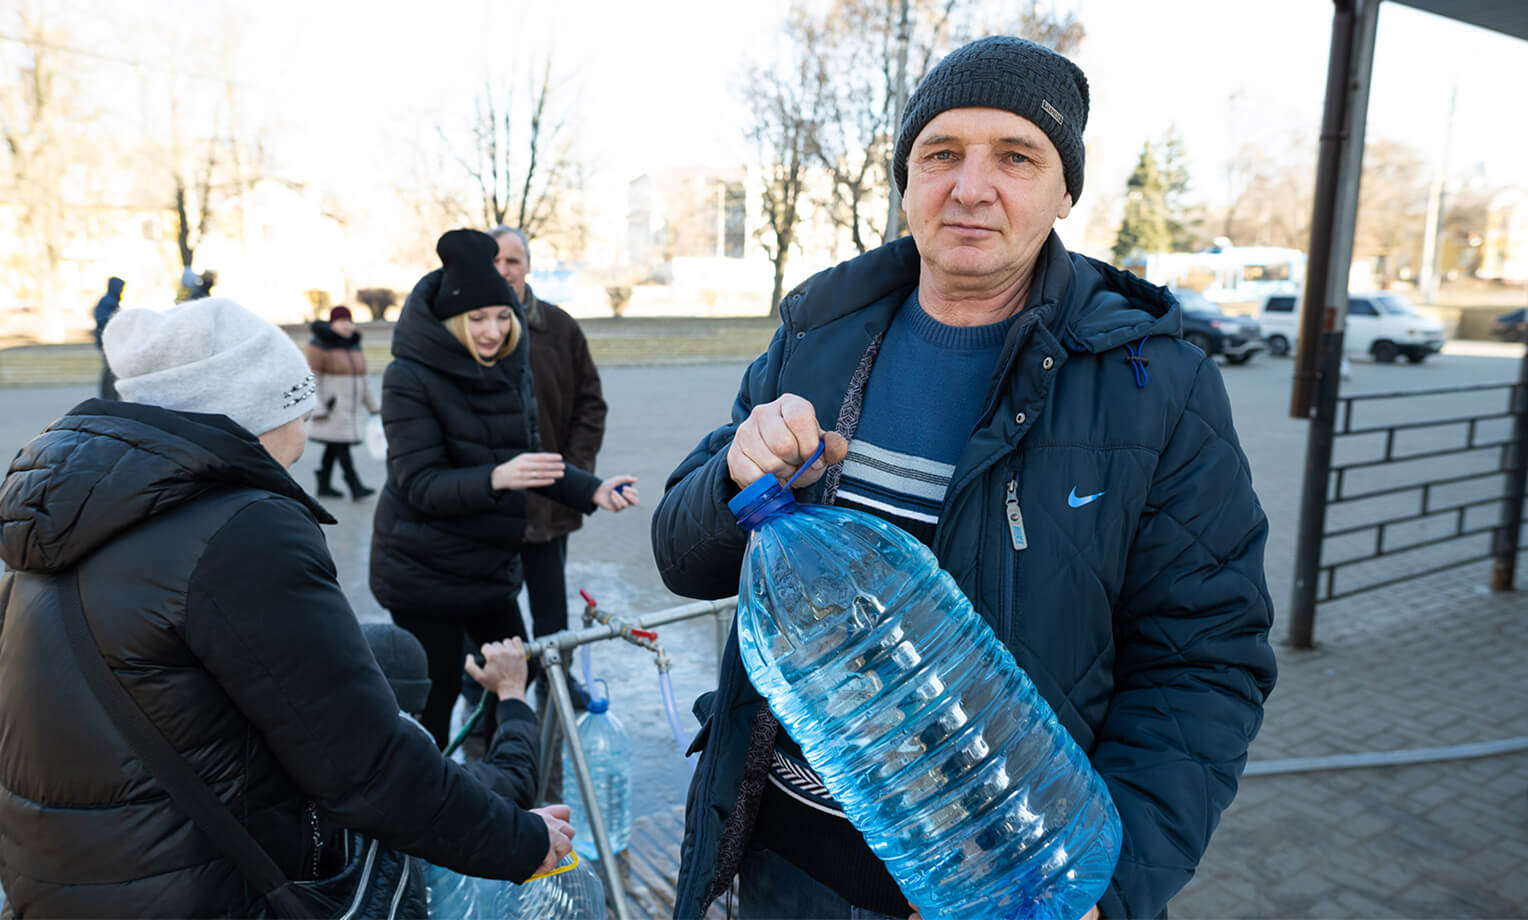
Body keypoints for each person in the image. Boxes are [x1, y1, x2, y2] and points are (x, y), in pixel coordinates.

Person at [651, 36, 1277, 920]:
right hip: (788, 865)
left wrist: (1106, 884)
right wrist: (731, 480)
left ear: (1065, 192)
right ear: (907, 179)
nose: (971, 187)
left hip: (1007, 886)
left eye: (1017, 157)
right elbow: (685, 560)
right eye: (940, 153)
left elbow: (1205, 662)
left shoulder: (1155, 386)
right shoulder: (818, 340)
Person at [0, 297, 573, 917]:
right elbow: (364, 763)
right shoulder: (241, 529)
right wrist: (520, 841)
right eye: (301, 405)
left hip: (58, 891)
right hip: (207, 894)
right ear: (258, 409)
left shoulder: (64, 521)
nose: (307, 425)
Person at [369, 228, 639, 750]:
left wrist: (593, 490)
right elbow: (420, 484)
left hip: (487, 567)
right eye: (476, 319)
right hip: (422, 571)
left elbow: (533, 459)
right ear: (452, 320)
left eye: (500, 316)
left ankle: (496, 785)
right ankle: (424, 806)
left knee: (514, 675)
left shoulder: (510, 366)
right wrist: (496, 478)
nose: (492, 330)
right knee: (439, 692)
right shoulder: (408, 376)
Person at [489, 227, 608, 643]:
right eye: (495, 261)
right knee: (490, 611)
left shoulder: (559, 327)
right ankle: (493, 690)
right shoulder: (471, 333)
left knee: (550, 610)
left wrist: (570, 475)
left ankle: (557, 681)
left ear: (528, 266)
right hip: (488, 502)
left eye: (512, 261)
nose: (503, 270)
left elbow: (590, 405)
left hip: (548, 499)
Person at [364, 624, 540, 807]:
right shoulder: (415, 780)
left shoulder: (336, 760)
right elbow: (515, 783)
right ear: (416, 715)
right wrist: (511, 690)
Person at [306, 304, 379, 500]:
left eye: (349, 322)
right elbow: (310, 379)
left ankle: (324, 484)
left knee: (334, 446)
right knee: (341, 446)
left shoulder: (354, 345)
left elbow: (362, 380)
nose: (347, 326)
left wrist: (374, 406)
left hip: (349, 408)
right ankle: (354, 485)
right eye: (342, 322)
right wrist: (318, 407)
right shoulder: (319, 345)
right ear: (332, 324)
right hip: (332, 409)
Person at [93, 275, 124, 400]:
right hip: (108, 342)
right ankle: (109, 397)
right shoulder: (107, 301)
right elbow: (103, 320)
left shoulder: (111, 300)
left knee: (110, 371)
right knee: (110, 371)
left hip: (110, 341)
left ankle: (110, 396)